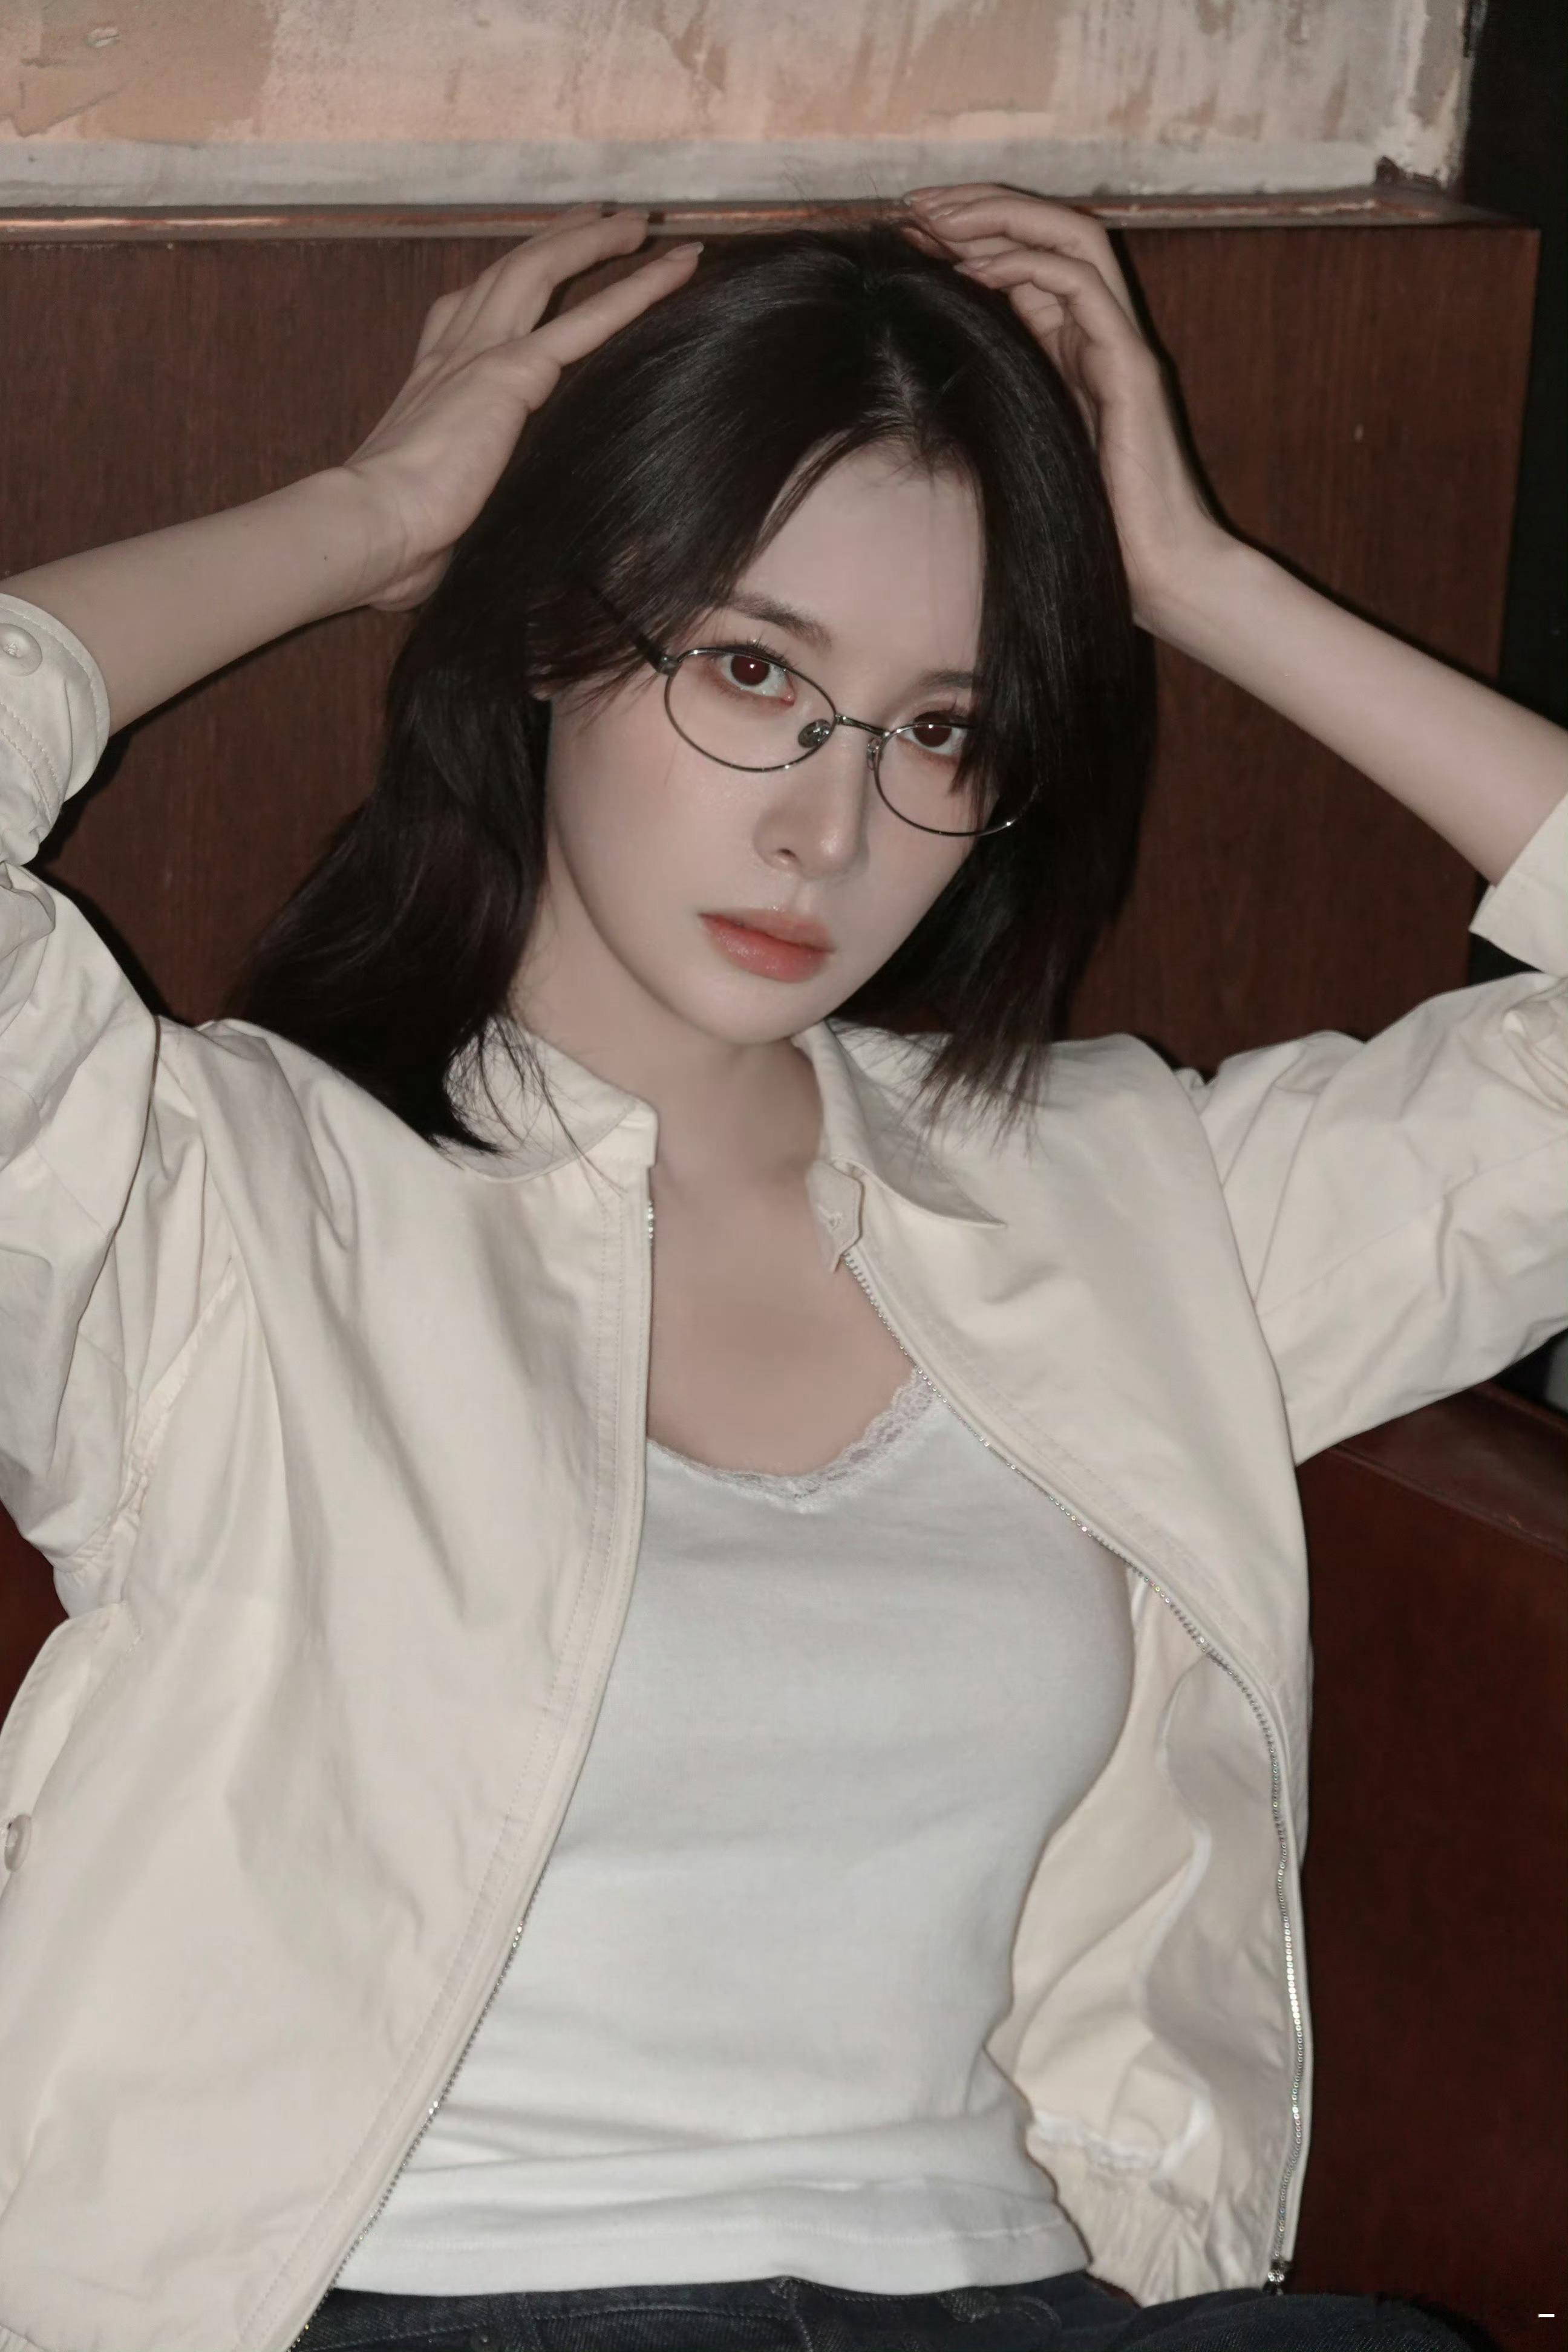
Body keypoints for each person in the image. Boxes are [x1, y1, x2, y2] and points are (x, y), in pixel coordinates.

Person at [0, 189, 1561, 2352]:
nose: (833, 831)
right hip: (415, 2299)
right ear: (552, 637)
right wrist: (371, 516)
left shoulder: (1127, 1213)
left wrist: (1206, 583)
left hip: (1004, 2302)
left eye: (939, 728)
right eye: (754, 671)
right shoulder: (225, 1203)